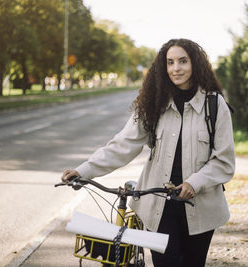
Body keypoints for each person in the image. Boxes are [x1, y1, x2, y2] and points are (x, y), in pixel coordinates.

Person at [61, 38, 235, 267]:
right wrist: (83, 171)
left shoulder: (215, 105)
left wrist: (194, 182)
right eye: (170, 62)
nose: (176, 68)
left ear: (195, 64)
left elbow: (224, 161)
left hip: (202, 208)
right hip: (159, 208)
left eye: (183, 61)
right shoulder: (155, 103)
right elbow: (122, 145)